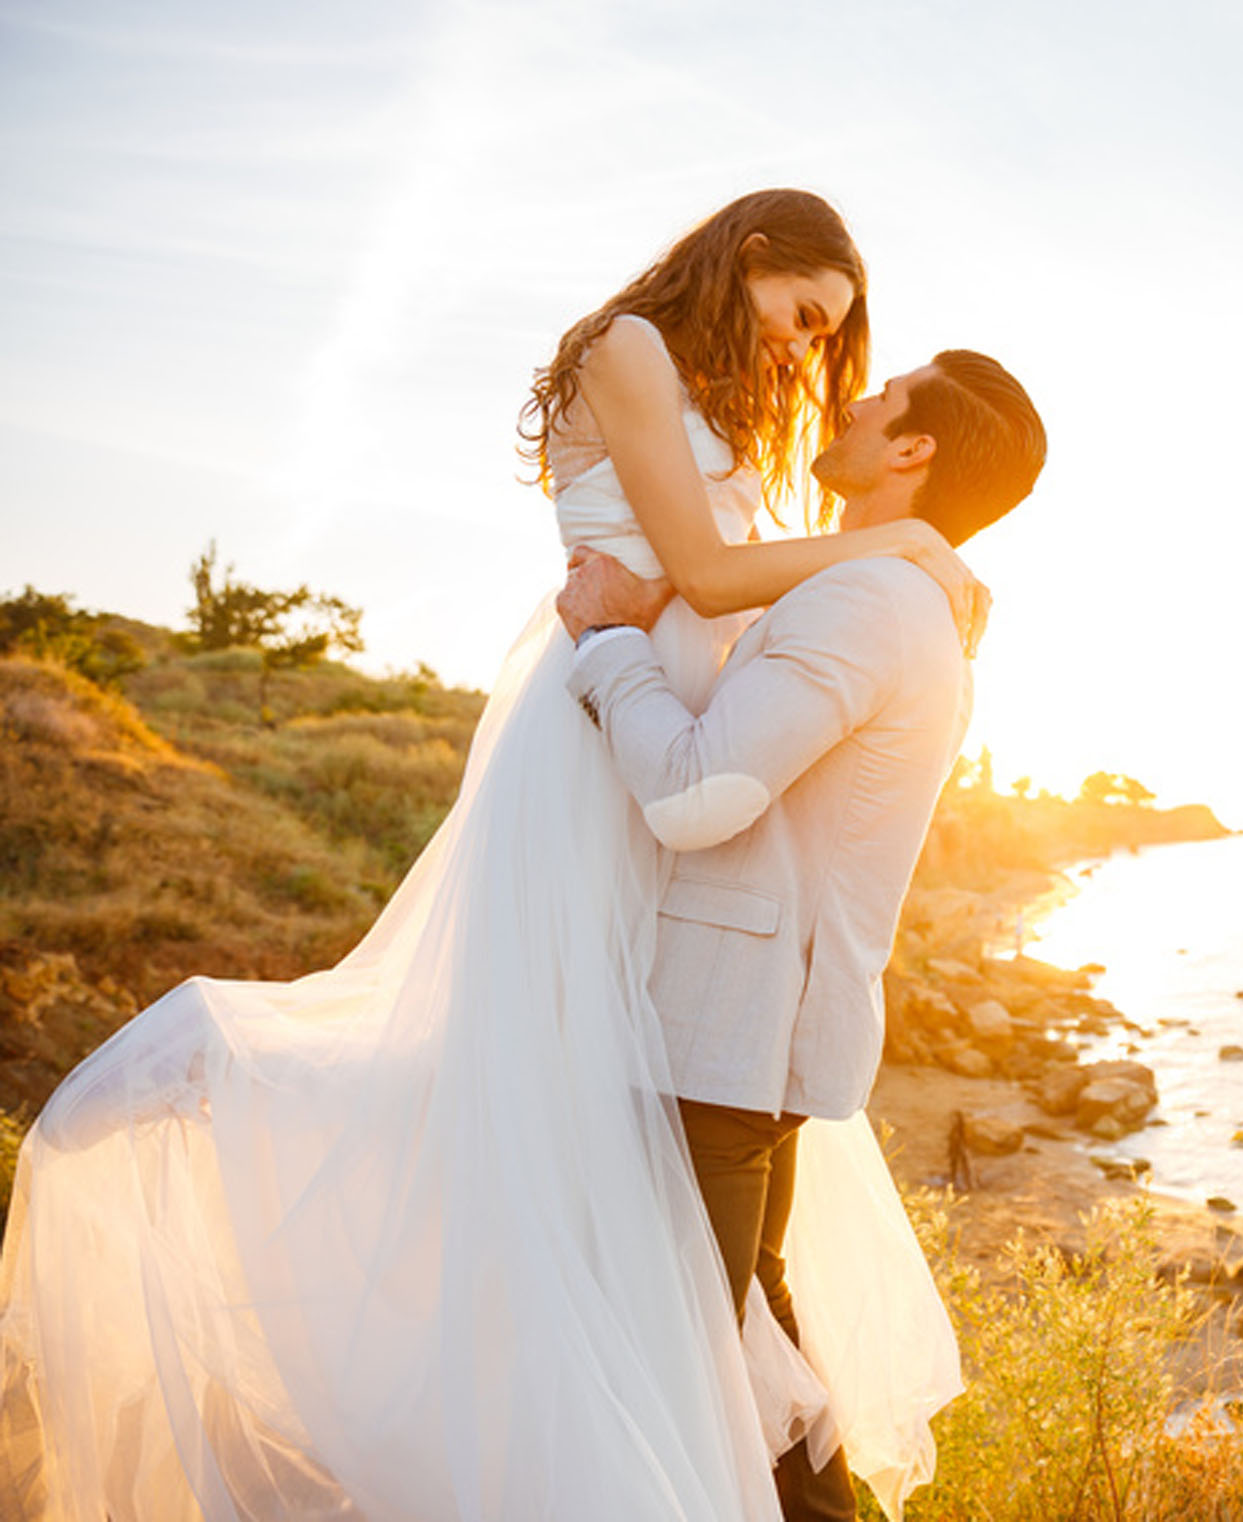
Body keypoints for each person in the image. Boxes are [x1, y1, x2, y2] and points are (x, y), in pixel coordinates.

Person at [0, 190, 1020, 1521]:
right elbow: (711, 577)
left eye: (829, 338)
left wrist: (846, 570)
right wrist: (900, 538)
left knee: (605, 1154)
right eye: (803, 316)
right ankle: (236, 1098)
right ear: (751, 257)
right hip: (604, 736)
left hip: (666, 732)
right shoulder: (631, 349)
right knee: (546, 1105)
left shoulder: (728, 398)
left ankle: (669, 1447)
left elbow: (719, 597)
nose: (804, 353)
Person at [556, 348, 1047, 1521]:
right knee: (748, 1339)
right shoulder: (877, 590)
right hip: (743, 1036)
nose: (854, 399)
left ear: (911, 450)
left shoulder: (869, 602)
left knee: (685, 1362)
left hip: (720, 1038)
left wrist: (611, 641)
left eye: (885, 397)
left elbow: (694, 793)